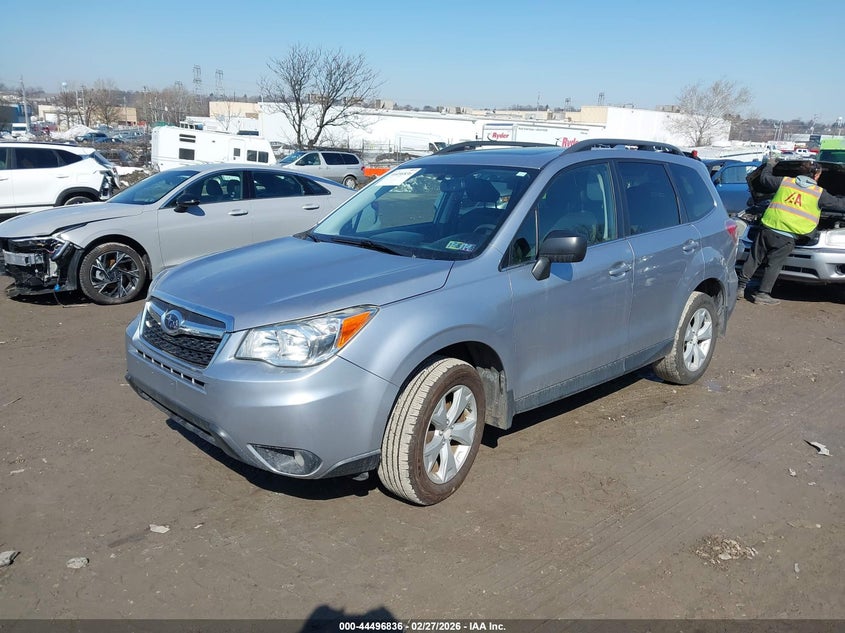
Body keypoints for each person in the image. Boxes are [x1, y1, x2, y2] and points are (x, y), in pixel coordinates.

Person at [738, 159, 845, 305]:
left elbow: (764, 179)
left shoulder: (785, 182)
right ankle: (762, 294)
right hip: (788, 235)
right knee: (774, 264)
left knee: (754, 258)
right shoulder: (819, 193)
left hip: (768, 227)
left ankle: (740, 287)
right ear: (817, 176)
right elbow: (840, 205)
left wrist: (770, 165)